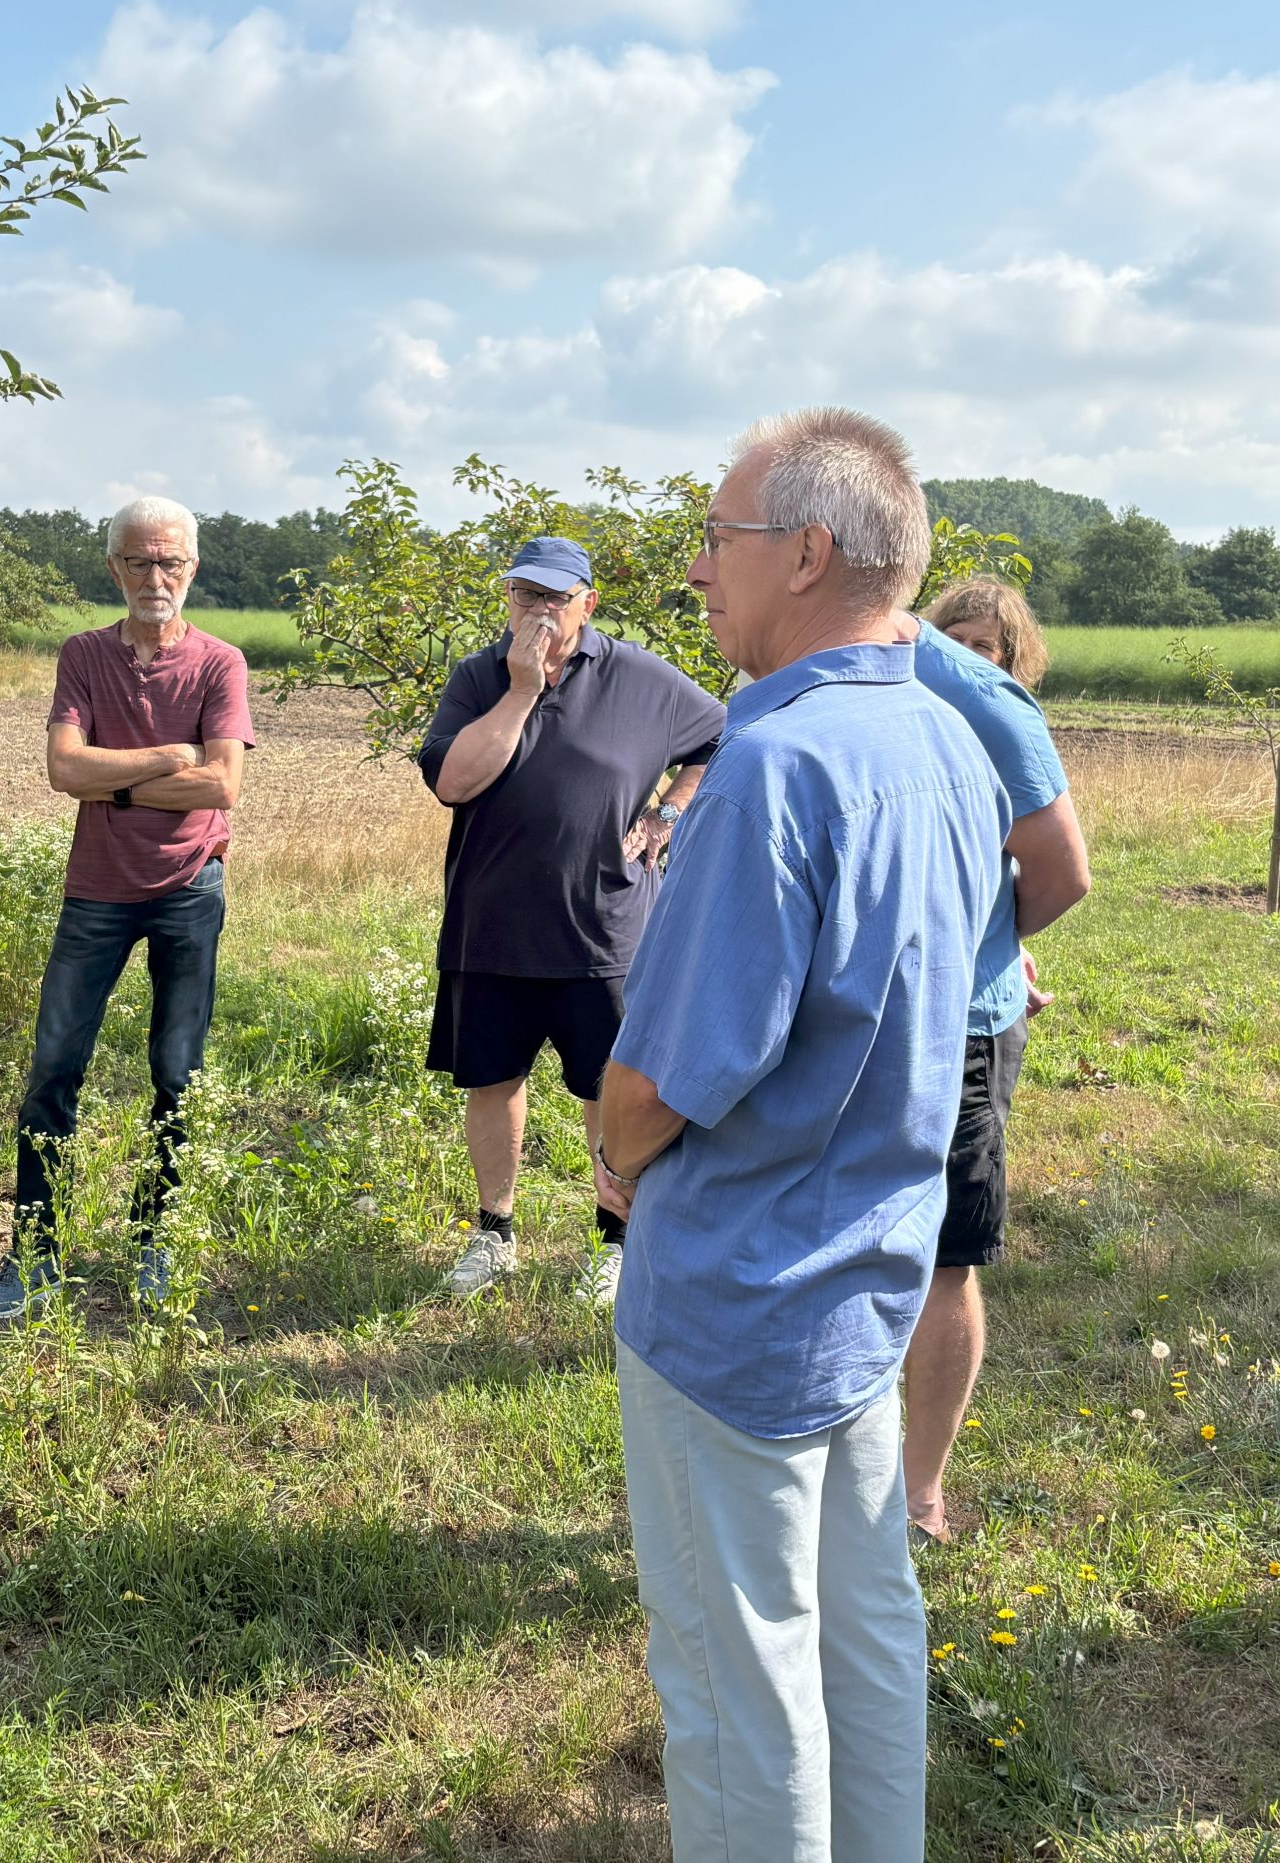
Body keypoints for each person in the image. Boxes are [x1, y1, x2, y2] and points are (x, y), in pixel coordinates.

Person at [597, 407, 1009, 1860]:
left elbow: (669, 1071)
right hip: (871, 1270)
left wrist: (610, 1150)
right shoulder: (953, 741)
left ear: (810, 552)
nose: (699, 571)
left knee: (735, 1671)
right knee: (864, 1621)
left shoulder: (772, 769)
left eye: (718, 539)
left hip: (739, 1293)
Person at [417, 535, 724, 1305]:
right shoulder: (479, 676)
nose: (541, 610)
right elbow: (454, 782)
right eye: (527, 594)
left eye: (558, 597)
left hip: (607, 931)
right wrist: (520, 691)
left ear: (590, 602)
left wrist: (669, 814)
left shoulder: (642, 678)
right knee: (492, 1080)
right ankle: (495, 1234)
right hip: (490, 928)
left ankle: (613, 1241)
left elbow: (725, 735)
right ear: (509, 599)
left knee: (610, 1088)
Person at [0, 496, 254, 1321]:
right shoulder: (84, 655)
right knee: (53, 1072)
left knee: (177, 1074)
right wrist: (167, 758)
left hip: (189, 888)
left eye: (169, 562)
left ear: (192, 568)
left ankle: (155, 1241)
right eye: (138, 561)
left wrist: (114, 779)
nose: (154, 577)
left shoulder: (220, 664)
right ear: (113, 569)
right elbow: (63, 769)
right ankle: (34, 1254)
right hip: (95, 888)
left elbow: (222, 783)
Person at [903, 579, 1090, 1546]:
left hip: (969, 1021)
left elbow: (1053, 872)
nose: (976, 659)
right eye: (959, 641)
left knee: (947, 1254)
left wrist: (996, 951)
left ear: (1017, 661)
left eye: (993, 647)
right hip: (887, 1014)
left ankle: (919, 1488)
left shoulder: (1008, 728)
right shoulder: (901, 721)